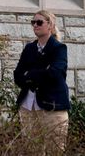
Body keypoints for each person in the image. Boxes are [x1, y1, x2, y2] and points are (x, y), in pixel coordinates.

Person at [13, 9, 70, 154]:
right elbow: (18, 75)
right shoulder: (29, 48)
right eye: (33, 22)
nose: (35, 25)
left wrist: (30, 74)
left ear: (50, 25)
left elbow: (54, 73)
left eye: (39, 22)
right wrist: (38, 74)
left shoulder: (59, 48)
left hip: (52, 106)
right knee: (31, 150)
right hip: (27, 106)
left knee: (54, 151)